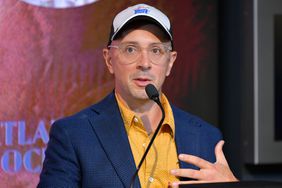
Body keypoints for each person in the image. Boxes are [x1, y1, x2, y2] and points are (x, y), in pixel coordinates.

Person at [38, 3, 238, 188]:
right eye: (131, 49)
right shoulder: (73, 135)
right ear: (109, 60)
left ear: (170, 62)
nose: (144, 62)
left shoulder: (206, 137)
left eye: (156, 51)